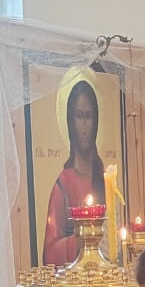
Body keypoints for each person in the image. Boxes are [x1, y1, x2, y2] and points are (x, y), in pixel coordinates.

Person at [43, 78, 108, 265]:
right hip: (75, 278)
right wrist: (81, 240)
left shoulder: (105, 179)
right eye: (79, 116)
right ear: (70, 122)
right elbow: (49, 253)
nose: (85, 127)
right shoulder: (62, 185)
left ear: (96, 121)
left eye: (89, 116)